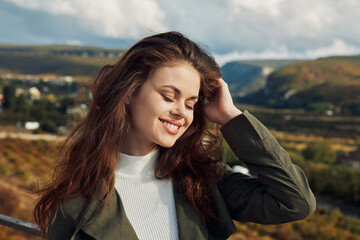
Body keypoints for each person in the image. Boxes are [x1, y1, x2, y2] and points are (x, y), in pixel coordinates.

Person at [33, 31, 316, 240]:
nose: (181, 112)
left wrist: (230, 117)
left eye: (191, 103)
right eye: (169, 96)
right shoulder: (74, 202)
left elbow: (295, 202)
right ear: (130, 93)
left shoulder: (204, 182)